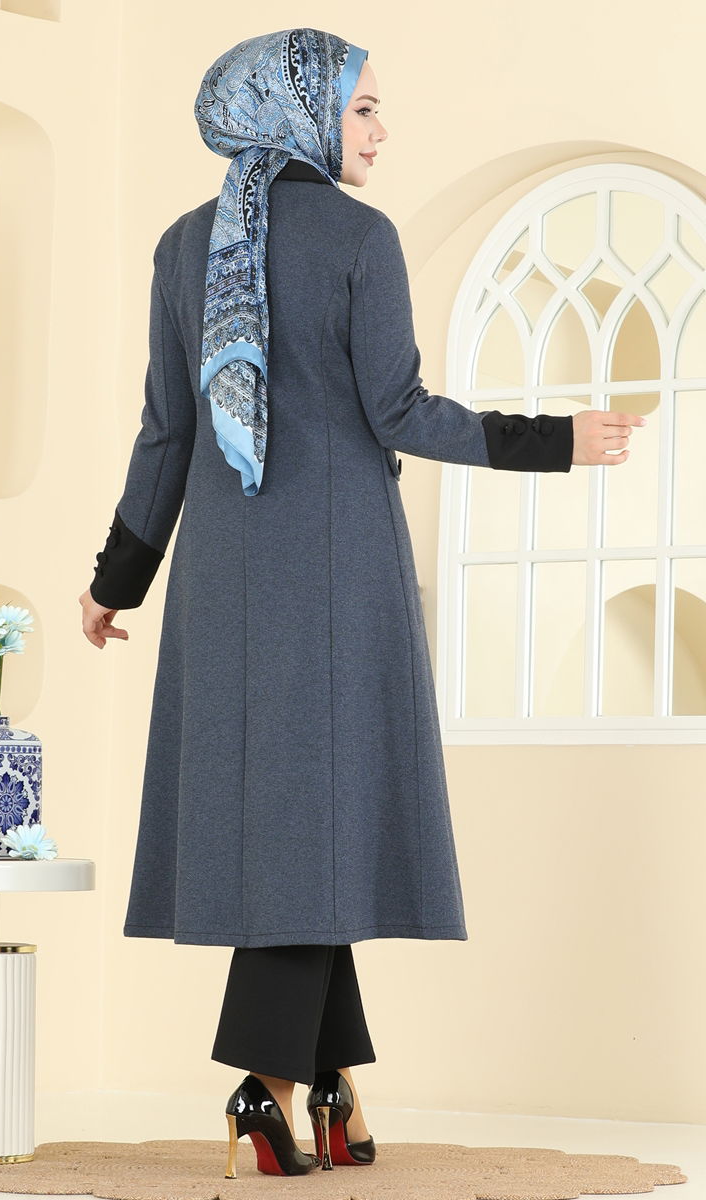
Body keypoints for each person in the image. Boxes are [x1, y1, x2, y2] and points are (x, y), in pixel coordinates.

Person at [79, 28, 645, 1180]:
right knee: (315, 827)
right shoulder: (355, 239)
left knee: (299, 823)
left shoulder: (184, 246)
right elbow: (399, 411)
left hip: (221, 586)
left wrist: (114, 577)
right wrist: (554, 440)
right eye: (363, 109)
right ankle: (265, 1087)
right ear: (297, 112)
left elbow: (166, 436)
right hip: (333, 575)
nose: (381, 132)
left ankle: (335, 1089)